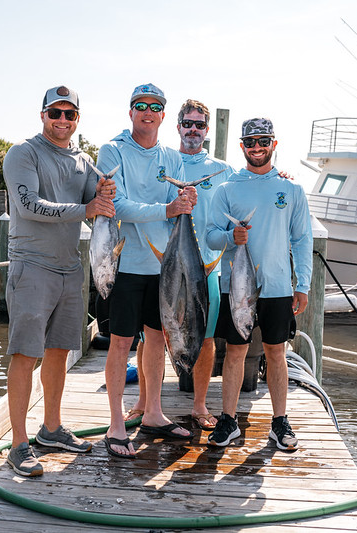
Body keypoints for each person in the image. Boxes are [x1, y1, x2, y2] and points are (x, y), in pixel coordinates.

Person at [1, 85, 116, 476]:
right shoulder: (23, 153)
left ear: (78, 119)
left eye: (70, 115)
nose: (62, 121)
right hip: (31, 267)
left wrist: (103, 193)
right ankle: (19, 444)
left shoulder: (85, 160)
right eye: (56, 113)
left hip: (71, 269)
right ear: (43, 115)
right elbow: (28, 205)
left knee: (59, 352)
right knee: (25, 354)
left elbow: (91, 209)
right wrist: (88, 205)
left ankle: (51, 429)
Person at [96, 83, 197, 458]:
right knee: (122, 342)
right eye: (140, 105)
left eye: (155, 107)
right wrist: (169, 209)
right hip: (124, 265)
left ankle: (153, 412)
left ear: (163, 116)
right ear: (131, 112)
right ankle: (116, 423)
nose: (147, 112)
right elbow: (117, 206)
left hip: (165, 268)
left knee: (158, 339)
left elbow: (179, 204)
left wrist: (186, 201)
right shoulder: (113, 151)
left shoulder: (172, 158)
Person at [124, 99, 234, 431]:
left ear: (207, 130)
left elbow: (246, 189)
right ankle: (144, 402)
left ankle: (199, 405)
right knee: (149, 337)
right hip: (164, 264)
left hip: (207, 265)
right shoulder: (164, 162)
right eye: (188, 123)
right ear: (178, 126)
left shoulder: (223, 170)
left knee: (206, 337)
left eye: (200, 125)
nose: (193, 130)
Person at [204, 117, 313, 451]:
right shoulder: (227, 189)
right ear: (242, 146)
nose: (257, 148)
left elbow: (302, 238)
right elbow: (210, 236)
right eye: (250, 142)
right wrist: (230, 236)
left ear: (273, 144)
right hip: (237, 288)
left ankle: (280, 423)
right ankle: (228, 420)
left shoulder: (291, 189)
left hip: (278, 286)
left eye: (263, 141)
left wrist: (303, 283)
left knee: (276, 352)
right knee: (234, 353)